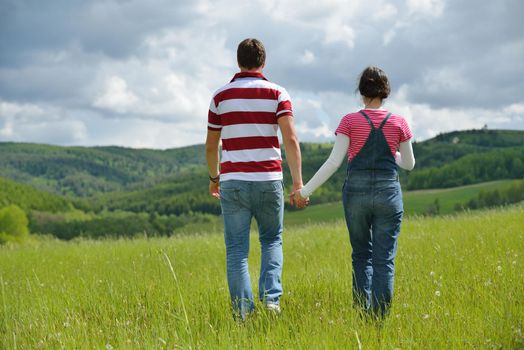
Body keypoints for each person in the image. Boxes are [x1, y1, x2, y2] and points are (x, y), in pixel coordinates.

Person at [293, 66, 415, 317]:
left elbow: (333, 163)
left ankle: (362, 314)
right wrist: (391, 151)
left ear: (361, 91)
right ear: (386, 91)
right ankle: (379, 320)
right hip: (388, 194)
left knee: (361, 255)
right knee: (384, 260)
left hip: (356, 195)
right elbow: (409, 164)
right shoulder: (399, 122)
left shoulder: (349, 121)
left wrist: (304, 191)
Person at [205, 38, 304, 320]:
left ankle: (243, 314)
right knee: (272, 241)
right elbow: (291, 139)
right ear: (263, 62)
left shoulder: (220, 97)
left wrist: (214, 177)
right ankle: (271, 302)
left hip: (233, 181)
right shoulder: (278, 93)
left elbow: (211, 146)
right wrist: (297, 184)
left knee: (237, 251)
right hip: (269, 180)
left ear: (238, 61)